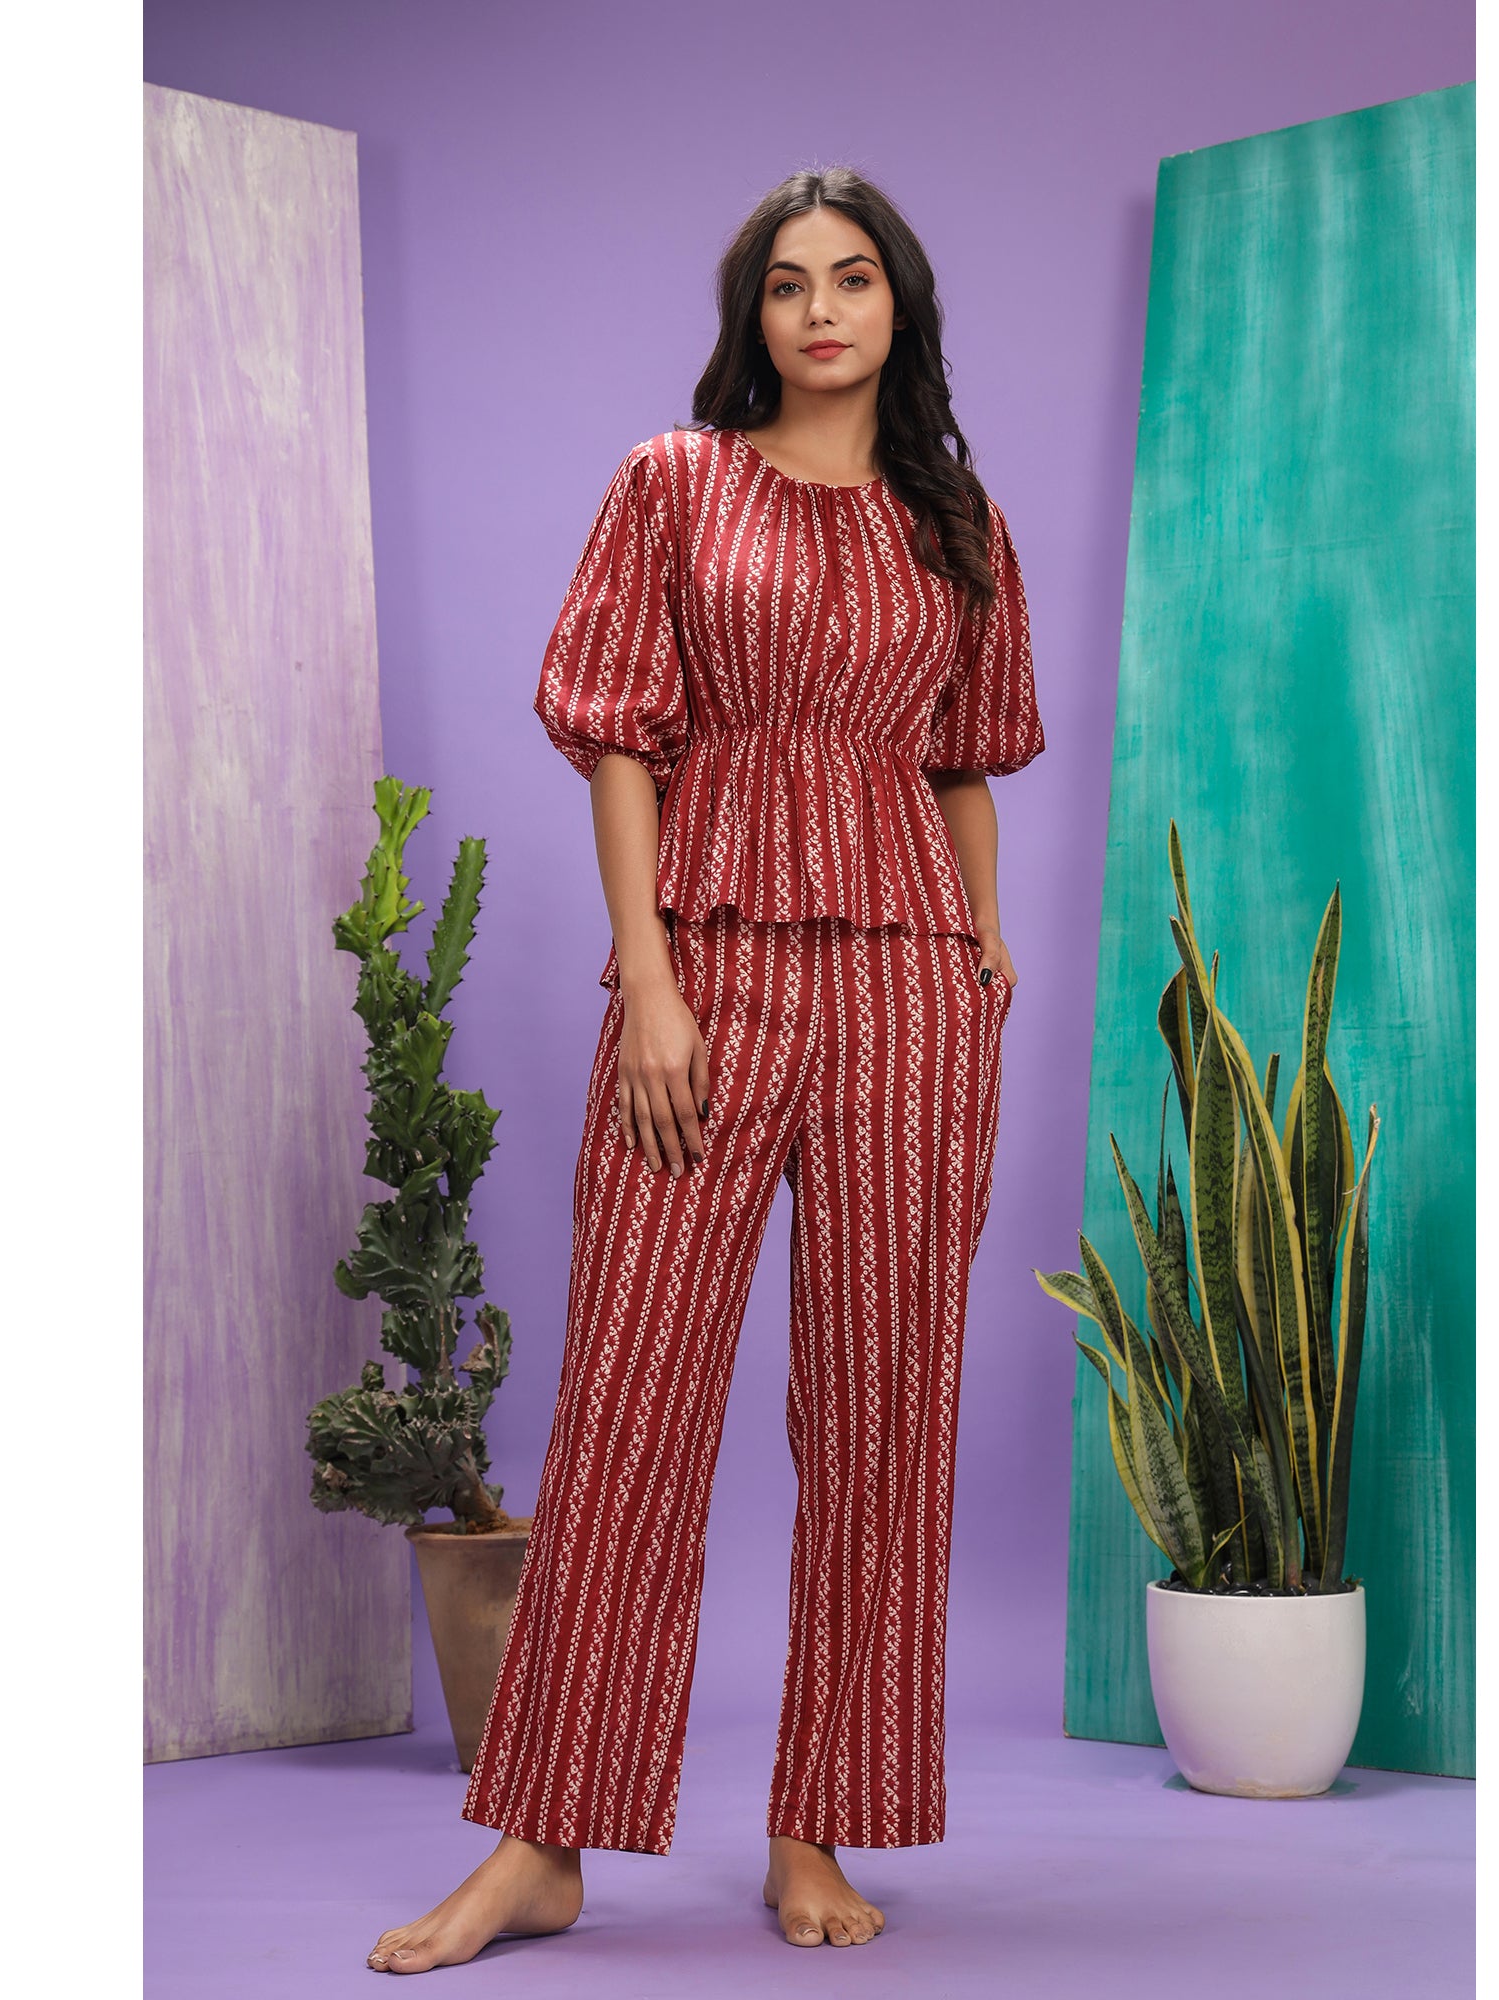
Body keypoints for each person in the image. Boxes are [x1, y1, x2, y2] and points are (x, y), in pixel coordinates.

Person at [368, 165, 1044, 1975]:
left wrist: (983, 944)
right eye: (788, 284)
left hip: (910, 984)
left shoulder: (958, 522)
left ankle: (814, 1824)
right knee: (633, 1396)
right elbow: (620, 743)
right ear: (755, 316)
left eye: (854, 279)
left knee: (887, 1407)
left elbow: (965, 760)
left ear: (899, 306)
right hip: (711, 964)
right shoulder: (674, 483)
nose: (821, 310)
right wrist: (651, 978)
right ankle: (541, 1844)